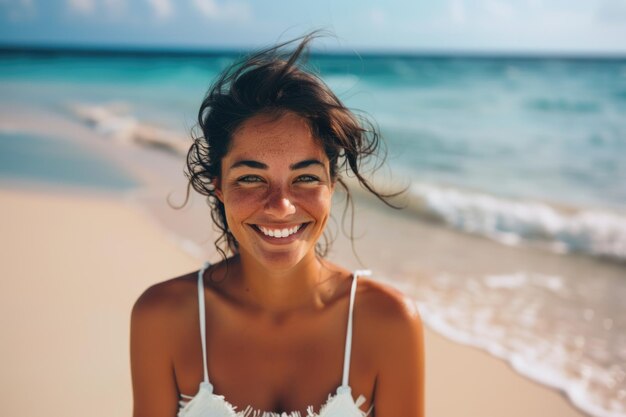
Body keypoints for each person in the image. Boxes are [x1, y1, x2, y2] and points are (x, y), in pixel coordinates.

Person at [130, 33, 425, 417]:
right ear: (219, 187)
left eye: (305, 178)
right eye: (251, 178)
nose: (282, 206)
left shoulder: (388, 323)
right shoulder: (163, 317)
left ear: (331, 186)